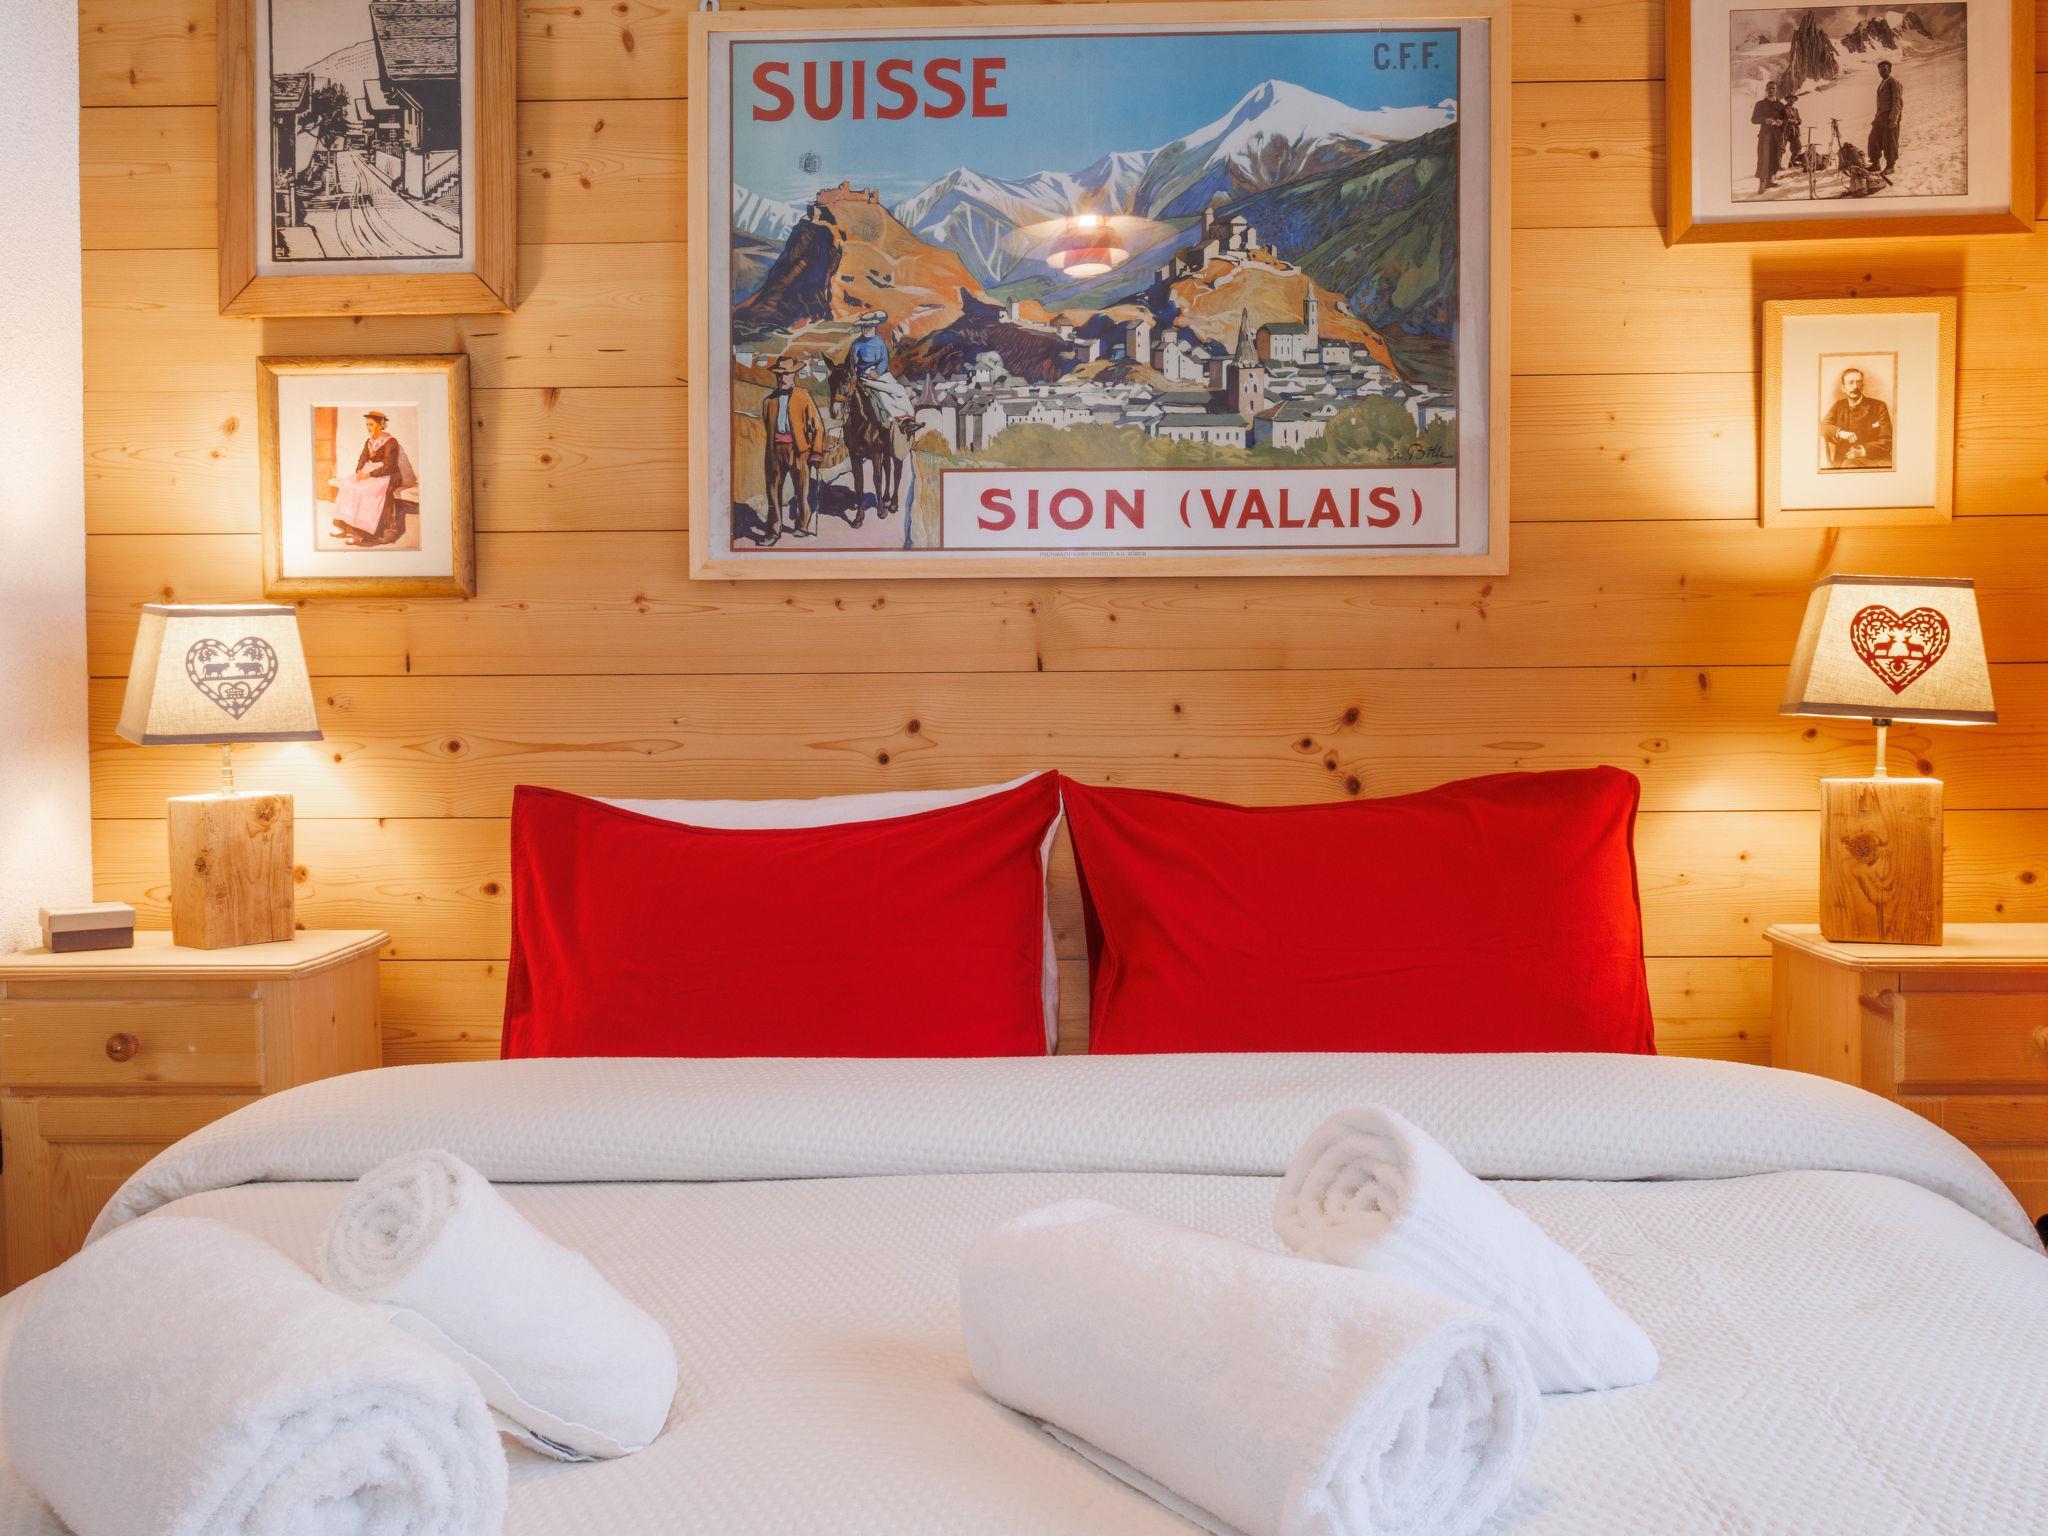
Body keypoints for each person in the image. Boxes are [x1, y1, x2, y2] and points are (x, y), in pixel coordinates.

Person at [759, 355, 829, 542]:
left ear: (794, 375)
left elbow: (818, 426)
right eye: (780, 374)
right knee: (773, 492)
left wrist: (816, 451)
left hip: (798, 450)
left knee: (801, 490)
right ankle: (773, 531)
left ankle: (802, 524)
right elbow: (768, 427)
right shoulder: (768, 402)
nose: (783, 378)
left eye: (787, 374)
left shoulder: (803, 396)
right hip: (775, 451)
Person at [330, 411, 418, 545]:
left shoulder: (390, 442)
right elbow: (362, 458)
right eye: (367, 425)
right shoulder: (369, 441)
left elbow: (389, 466)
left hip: (389, 475)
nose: (368, 428)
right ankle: (344, 527)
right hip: (369, 472)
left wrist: (369, 475)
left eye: (371, 425)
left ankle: (360, 533)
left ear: (380, 425)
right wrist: (359, 471)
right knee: (348, 483)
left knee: (365, 489)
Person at [845, 310, 914, 426]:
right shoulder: (856, 344)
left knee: (899, 389)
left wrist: (877, 372)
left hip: (881, 374)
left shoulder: (880, 341)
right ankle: (897, 417)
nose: (865, 329)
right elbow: (852, 363)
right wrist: (860, 373)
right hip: (864, 376)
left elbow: (884, 360)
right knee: (882, 394)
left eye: (868, 327)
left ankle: (909, 416)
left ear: (874, 327)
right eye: (864, 327)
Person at [1821, 368, 1893, 469]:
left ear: (1862, 385)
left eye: (1858, 382)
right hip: (1843, 459)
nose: (1855, 386)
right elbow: (1822, 426)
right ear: (1843, 388)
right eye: (1851, 383)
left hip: (1874, 459)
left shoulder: (1879, 406)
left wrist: (1862, 451)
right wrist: (1840, 432)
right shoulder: (1838, 406)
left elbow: (1887, 441)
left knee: (1849, 465)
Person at [1750, 80, 1790, 192]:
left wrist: (1781, 122)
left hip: (1777, 136)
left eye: (1773, 88)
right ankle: (1762, 184)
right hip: (1765, 135)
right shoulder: (1760, 104)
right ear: (1766, 90)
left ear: (1776, 90)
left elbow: (1786, 119)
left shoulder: (1781, 105)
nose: (1771, 90)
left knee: (1774, 158)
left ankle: (1769, 181)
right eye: (1769, 88)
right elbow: (1753, 119)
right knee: (1764, 157)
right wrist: (1765, 120)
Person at [1868, 60, 1903, 177]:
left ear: (1890, 70)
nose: (1883, 70)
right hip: (1880, 117)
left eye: (1885, 68)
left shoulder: (1894, 83)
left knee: (1890, 142)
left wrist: (1893, 119)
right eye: (1881, 69)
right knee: (1873, 140)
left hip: (1890, 117)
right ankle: (1875, 164)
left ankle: (1890, 166)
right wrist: (1876, 118)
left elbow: (1897, 102)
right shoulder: (1882, 83)